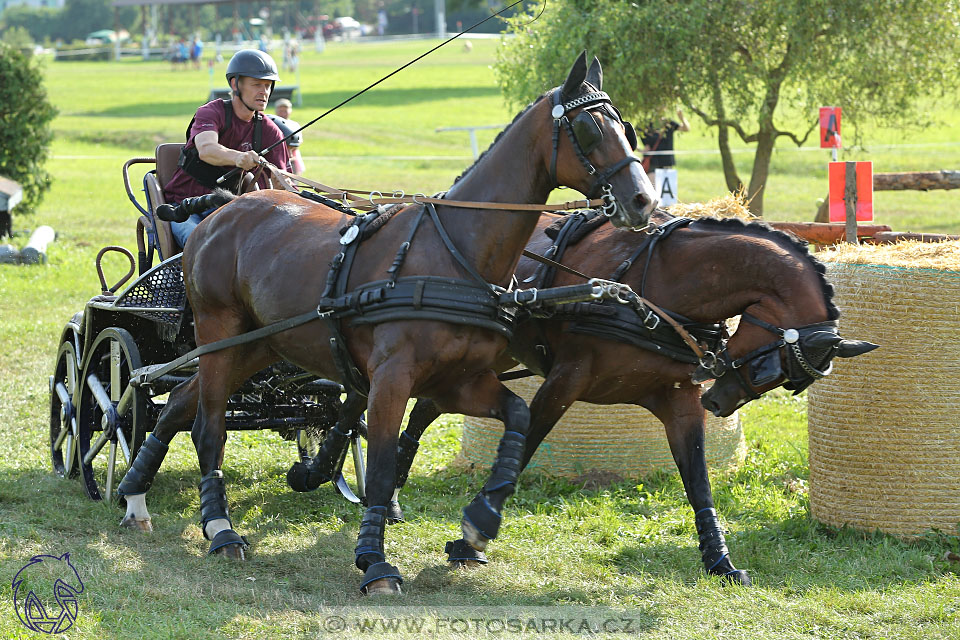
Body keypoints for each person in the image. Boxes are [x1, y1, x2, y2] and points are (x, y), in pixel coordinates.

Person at [159, 49, 291, 248]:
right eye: (256, 84)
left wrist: (283, 183)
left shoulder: (270, 131)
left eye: (267, 85)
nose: (264, 92)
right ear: (235, 84)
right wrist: (238, 158)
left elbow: (285, 181)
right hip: (184, 209)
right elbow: (206, 149)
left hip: (231, 210)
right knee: (202, 245)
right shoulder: (211, 112)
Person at [641, 108, 690, 185]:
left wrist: (682, 118)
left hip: (666, 162)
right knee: (653, 187)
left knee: (666, 192)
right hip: (652, 162)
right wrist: (639, 149)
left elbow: (686, 129)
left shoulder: (669, 123)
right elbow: (631, 134)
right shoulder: (647, 124)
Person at [268, 98, 305, 174]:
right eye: (280, 111)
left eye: (285, 111)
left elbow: (297, 143)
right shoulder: (271, 124)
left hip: (292, 160)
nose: (283, 113)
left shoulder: (294, 125)